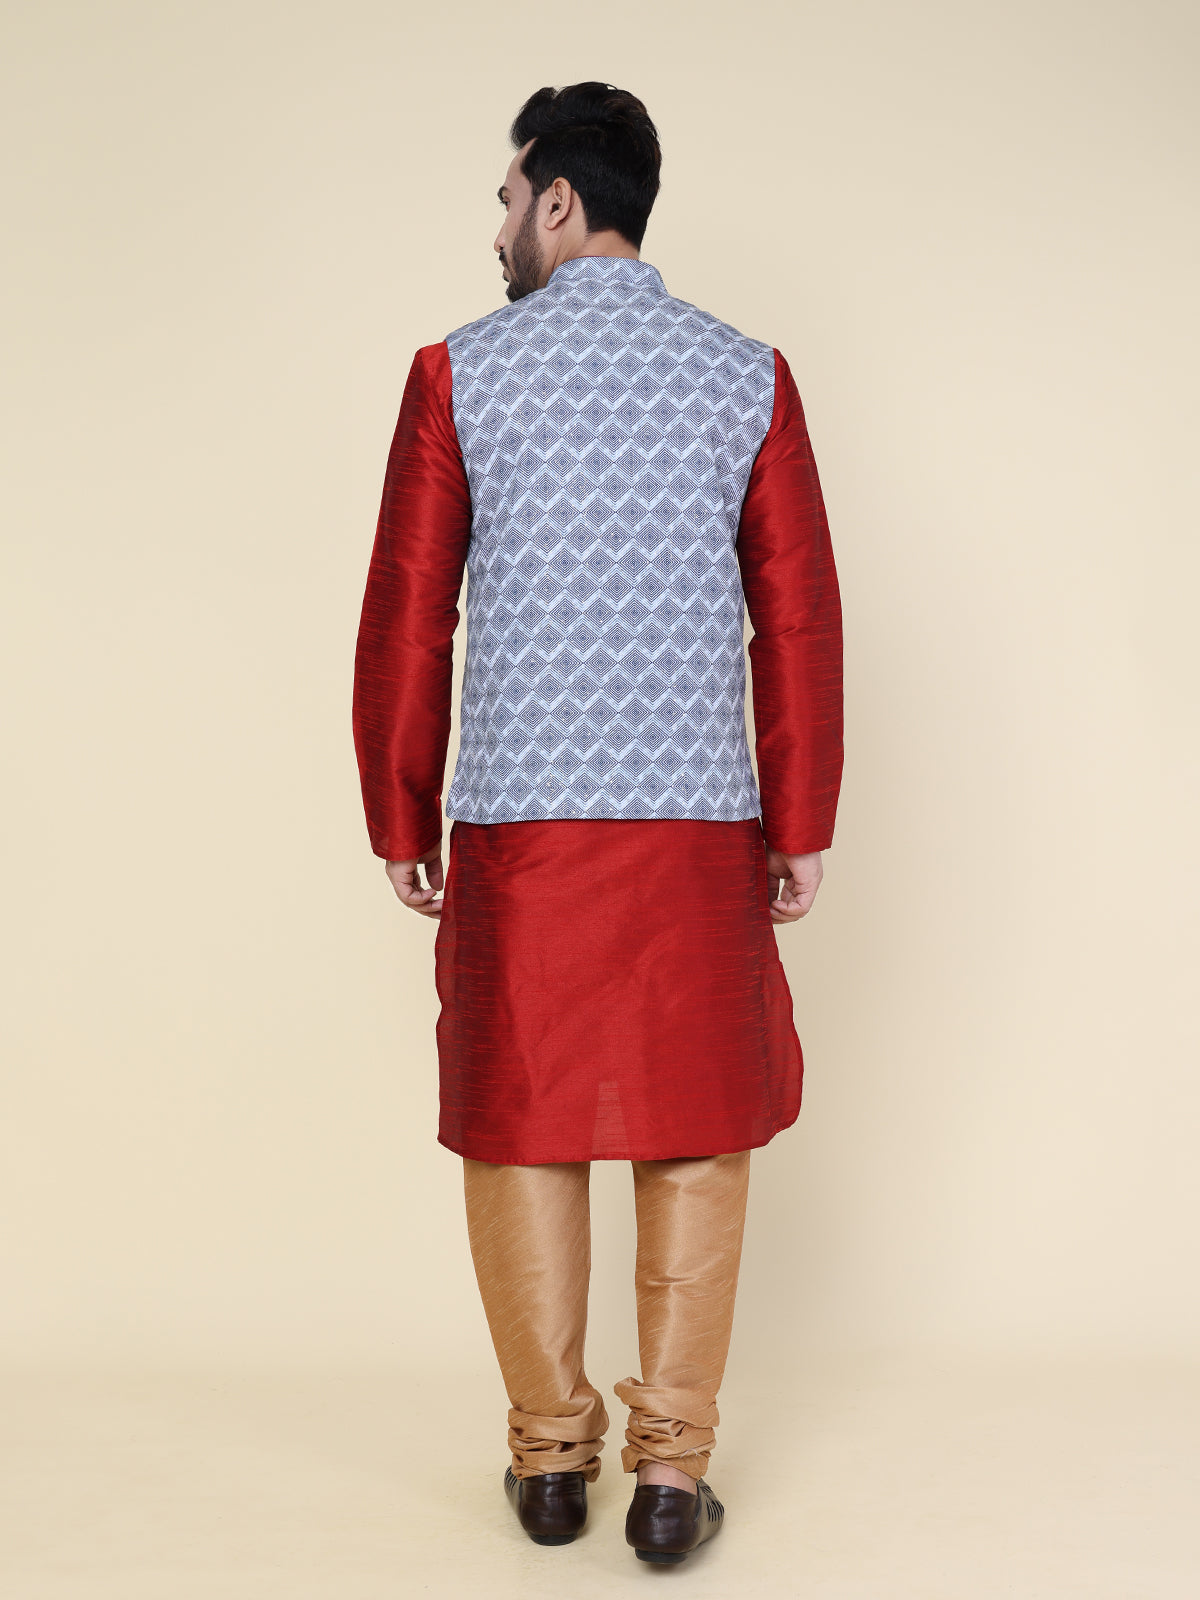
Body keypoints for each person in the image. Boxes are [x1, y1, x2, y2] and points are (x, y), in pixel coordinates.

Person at [351, 81, 843, 1565]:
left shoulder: (459, 374)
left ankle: (552, 1462)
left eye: (510, 200)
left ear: (561, 202)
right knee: (695, 1124)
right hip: (698, 822)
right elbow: (797, 617)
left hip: (522, 821)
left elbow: (409, 612)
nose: (502, 226)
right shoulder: (745, 375)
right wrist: (800, 817)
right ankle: (673, 1477)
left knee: (526, 1121)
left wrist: (399, 805)